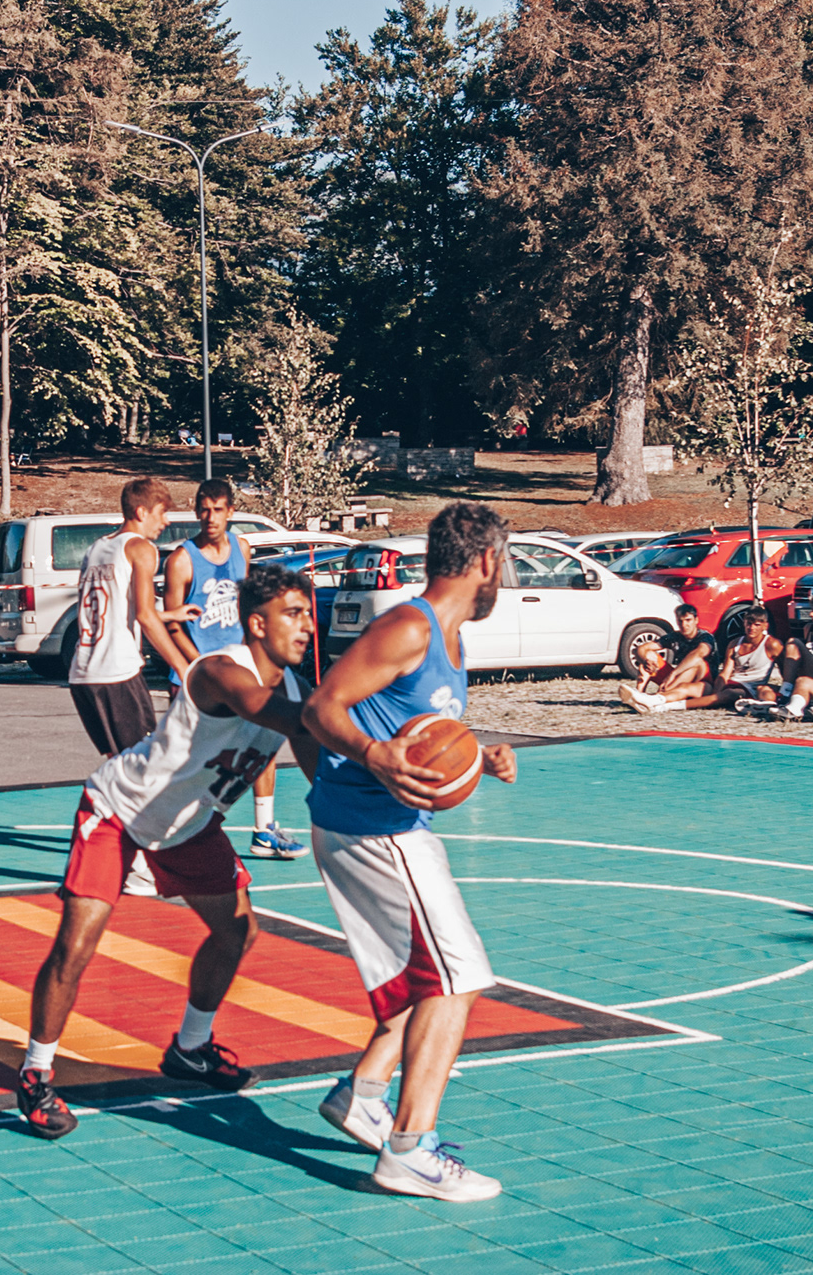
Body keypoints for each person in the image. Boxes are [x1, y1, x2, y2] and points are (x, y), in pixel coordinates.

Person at [15, 567, 320, 1139]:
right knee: (77, 946)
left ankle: (190, 1049)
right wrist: (363, 708)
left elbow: (323, 779)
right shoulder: (222, 671)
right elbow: (270, 711)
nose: (308, 626)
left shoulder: (300, 696)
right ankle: (35, 1073)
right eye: (294, 614)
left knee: (237, 931)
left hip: (188, 826)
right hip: (119, 810)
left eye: (309, 614)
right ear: (258, 624)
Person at [303, 503, 518, 1203]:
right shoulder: (408, 628)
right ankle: (408, 1149)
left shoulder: (449, 639)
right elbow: (321, 707)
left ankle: (362, 1095)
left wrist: (478, 757)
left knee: (423, 979)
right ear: (485, 560)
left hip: (388, 825)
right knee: (456, 978)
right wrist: (373, 754)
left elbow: (423, 732)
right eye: (505, 563)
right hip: (371, 827)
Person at [165, 479, 304, 861]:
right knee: (191, 762)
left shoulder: (241, 549)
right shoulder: (181, 560)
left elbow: (249, 606)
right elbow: (171, 622)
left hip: (242, 670)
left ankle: (264, 830)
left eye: (218, 510)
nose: (210, 518)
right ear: (196, 511)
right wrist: (199, 666)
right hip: (201, 677)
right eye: (204, 510)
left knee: (265, 740)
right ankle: (172, 831)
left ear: (230, 512)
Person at [68, 478, 199, 759]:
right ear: (141, 512)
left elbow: (115, 608)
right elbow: (144, 615)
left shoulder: (96, 548)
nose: (165, 521)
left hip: (82, 673)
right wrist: (184, 668)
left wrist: (169, 614)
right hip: (116, 672)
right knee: (145, 763)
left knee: (119, 764)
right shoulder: (142, 548)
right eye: (162, 512)